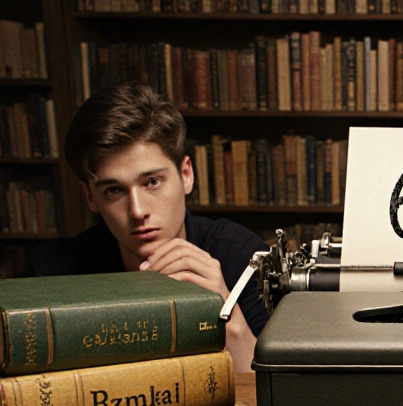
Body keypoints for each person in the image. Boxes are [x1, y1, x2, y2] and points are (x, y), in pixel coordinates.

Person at [32, 82, 268, 372]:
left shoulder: (243, 257)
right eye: (114, 190)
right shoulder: (54, 271)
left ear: (186, 175)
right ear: (90, 197)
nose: (138, 211)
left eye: (152, 182)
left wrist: (228, 317)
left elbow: (276, 390)